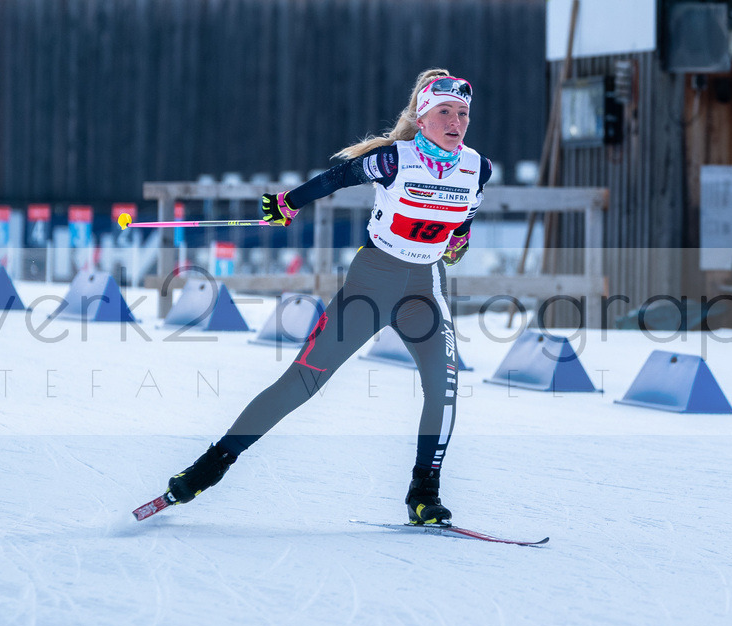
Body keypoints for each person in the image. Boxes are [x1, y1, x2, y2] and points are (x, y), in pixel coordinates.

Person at [161, 68, 492, 525]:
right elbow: (337, 178)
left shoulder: (479, 167)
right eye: (445, 112)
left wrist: (459, 241)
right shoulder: (394, 159)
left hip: (425, 287)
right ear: (422, 117)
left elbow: (466, 215)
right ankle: (211, 465)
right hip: (375, 279)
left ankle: (424, 493)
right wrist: (288, 202)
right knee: (305, 380)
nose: (456, 122)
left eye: (463, 113)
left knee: (445, 387)